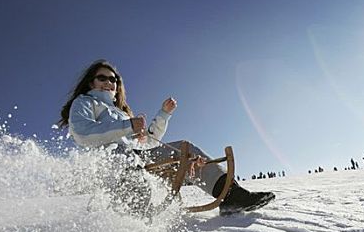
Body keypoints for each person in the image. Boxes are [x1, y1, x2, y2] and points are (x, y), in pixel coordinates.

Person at [57, 60, 274, 216]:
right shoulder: (86, 102)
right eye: (102, 78)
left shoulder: (122, 112)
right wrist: (126, 126)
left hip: (138, 155)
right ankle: (137, 222)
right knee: (134, 183)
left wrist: (163, 114)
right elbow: (83, 133)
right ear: (91, 83)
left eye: (113, 79)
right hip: (114, 161)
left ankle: (231, 196)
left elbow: (148, 142)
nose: (109, 82)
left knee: (185, 150)